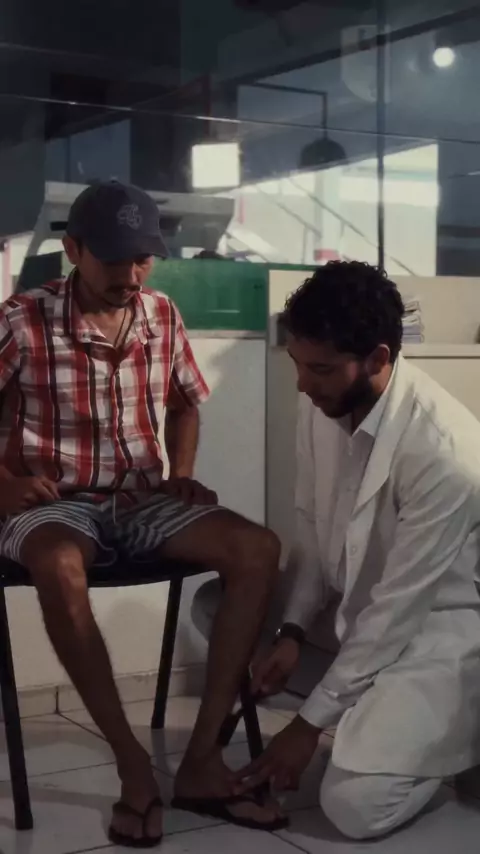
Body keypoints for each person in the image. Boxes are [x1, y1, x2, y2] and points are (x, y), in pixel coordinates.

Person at [0, 180, 285, 847]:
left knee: (258, 549)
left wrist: (180, 476)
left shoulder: (160, 313)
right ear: (73, 250)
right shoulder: (21, 319)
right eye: (113, 259)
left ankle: (202, 763)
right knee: (58, 564)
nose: (131, 276)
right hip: (57, 502)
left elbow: (186, 404)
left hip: (141, 499)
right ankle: (133, 766)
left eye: (143, 259)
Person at [193, 260, 480, 840]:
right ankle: (365, 711)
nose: (302, 383)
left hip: (430, 632)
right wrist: (292, 631)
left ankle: (454, 739)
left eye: (319, 369)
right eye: (298, 363)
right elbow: (312, 530)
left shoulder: (446, 453)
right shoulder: (324, 401)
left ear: (378, 358)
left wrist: (306, 726)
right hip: (357, 614)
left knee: (354, 806)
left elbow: (396, 612)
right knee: (216, 605)